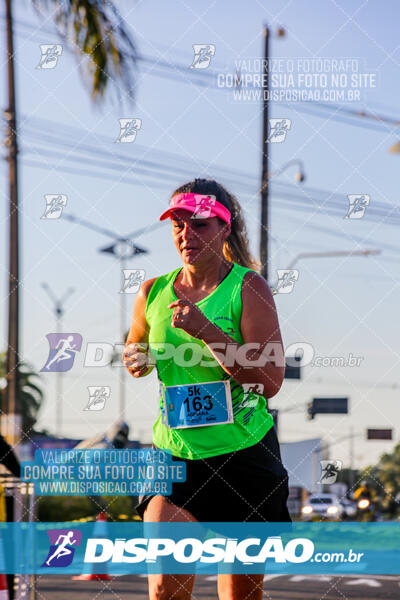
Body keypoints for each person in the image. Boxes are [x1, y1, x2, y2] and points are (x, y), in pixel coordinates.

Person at [124, 178, 291, 600]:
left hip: (244, 455)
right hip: (176, 454)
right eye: (178, 224)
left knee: (239, 596)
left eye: (198, 224)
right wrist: (135, 358)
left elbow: (269, 382)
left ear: (223, 228)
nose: (186, 234)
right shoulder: (153, 292)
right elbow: (136, 346)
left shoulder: (248, 288)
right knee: (165, 589)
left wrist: (206, 331)